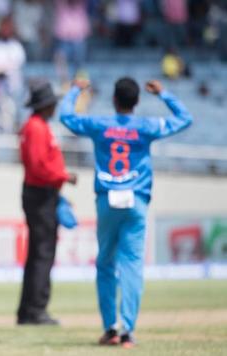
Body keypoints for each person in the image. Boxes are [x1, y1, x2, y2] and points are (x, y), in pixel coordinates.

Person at [60, 78, 193, 348]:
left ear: (113, 100)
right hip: (137, 201)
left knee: (106, 264)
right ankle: (127, 331)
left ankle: (110, 329)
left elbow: (66, 116)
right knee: (131, 265)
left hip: (108, 199)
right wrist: (164, 94)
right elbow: (185, 118)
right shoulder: (146, 126)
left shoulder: (100, 125)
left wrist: (75, 90)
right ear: (137, 102)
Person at [17, 79, 77, 326]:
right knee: (43, 254)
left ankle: (28, 310)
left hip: (42, 193)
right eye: (52, 104)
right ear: (45, 106)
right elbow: (39, 166)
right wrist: (64, 176)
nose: (54, 109)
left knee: (38, 254)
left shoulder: (36, 126)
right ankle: (36, 310)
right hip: (40, 194)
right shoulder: (37, 128)